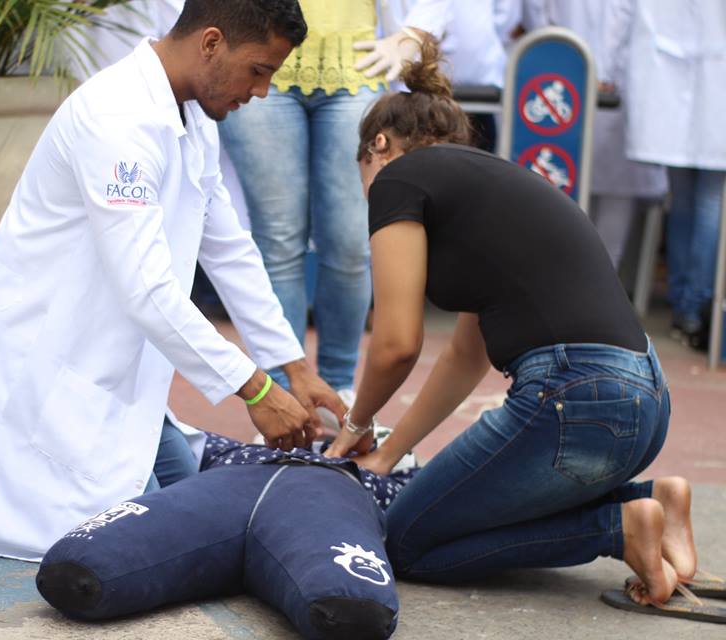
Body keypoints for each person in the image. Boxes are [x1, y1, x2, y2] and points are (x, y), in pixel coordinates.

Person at [0, 0, 349, 562]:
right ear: (211, 43)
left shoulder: (193, 115)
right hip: (39, 360)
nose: (263, 91)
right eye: (259, 70)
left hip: (110, 366)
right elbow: (146, 289)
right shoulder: (116, 119)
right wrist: (256, 389)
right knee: (152, 542)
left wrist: (293, 367)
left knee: (191, 501)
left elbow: (229, 248)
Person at [324, 37, 703, 615]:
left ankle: (620, 527)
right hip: (644, 400)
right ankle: (656, 501)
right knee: (449, 509)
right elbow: (465, 358)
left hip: (577, 401)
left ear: (377, 145)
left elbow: (397, 344)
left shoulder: (399, 178)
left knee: (405, 540)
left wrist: (355, 425)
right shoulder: (491, 183)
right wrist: (386, 453)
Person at [218, 0, 452, 422]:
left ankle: (338, 387)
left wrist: (415, 33)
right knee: (277, 241)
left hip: (357, 66)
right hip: (255, 56)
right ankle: (285, 394)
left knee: (349, 244)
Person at [37, 431, 418, 640]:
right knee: (78, 571)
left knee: (353, 610)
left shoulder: (382, 475)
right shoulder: (237, 447)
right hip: (228, 484)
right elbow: (180, 441)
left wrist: (375, 455)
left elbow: (411, 500)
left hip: (329, 493)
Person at [523, 0, 667, 270]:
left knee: (609, 192)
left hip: (605, 85)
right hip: (572, 82)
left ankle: (599, 278)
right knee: (566, 186)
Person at [623, 0, 726, 350]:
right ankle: (696, 305)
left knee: (682, 201)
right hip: (710, 82)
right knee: (709, 202)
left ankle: (683, 303)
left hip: (669, 81)